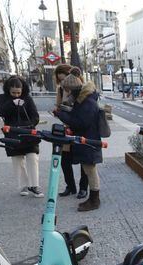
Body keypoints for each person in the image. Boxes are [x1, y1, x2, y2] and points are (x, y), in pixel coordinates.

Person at [54, 74, 103, 211]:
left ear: (72, 89)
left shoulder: (87, 102)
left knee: (90, 170)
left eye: (67, 91)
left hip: (88, 140)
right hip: (87, 139)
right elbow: (79, 118)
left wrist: (61, 115)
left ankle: (95, 200)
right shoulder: (84, 99)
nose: (67, 94)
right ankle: (93, 198)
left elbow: (80, 123)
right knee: (89, 169)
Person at [0, 76, 43, 197]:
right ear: (8, 90)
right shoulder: (3, 98)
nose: (16, 95)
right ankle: (23, 185)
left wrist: (30, 125)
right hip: (12, 133)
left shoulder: (27, 98)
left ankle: (35, 185)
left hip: (28, 133)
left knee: (33, 158)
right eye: (13, 93)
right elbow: (0, 112)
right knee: (17, 160)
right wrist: (12, 104)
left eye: (18, 92)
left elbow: (35, 116)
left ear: (22, 90)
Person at [54, 64, 88, 199]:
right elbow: (58, 106)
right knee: (64, 160)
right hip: (67, 128)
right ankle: (70, 186)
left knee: (84, 160)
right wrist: (58, 111)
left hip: (81, 130)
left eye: (64, 79)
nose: (63, 83)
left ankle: (83, 188)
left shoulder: (82, 90)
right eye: (60, 81)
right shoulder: (61, 89)